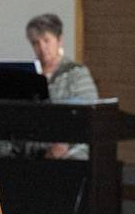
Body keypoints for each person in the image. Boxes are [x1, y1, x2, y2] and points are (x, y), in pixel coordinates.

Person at [25, 13, 98, 160]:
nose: (42, 47)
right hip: (35, 143)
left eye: (46, 41)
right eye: (36, 43)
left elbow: (88, 115)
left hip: (69, 143)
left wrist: (64, 143)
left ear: (59, 41)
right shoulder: (28, 76)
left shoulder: (77, 73)